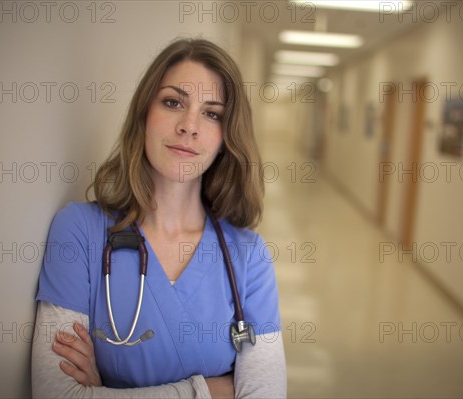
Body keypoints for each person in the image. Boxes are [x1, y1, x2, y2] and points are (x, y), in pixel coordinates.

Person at [31, 38, 286, 398]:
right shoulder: (79, 232)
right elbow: (57, 394)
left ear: (226, 137)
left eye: (212, 113)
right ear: (144, 113)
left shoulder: (248, 255)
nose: (189, 126)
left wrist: (104, 390)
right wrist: (209, 392)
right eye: (173, 102)